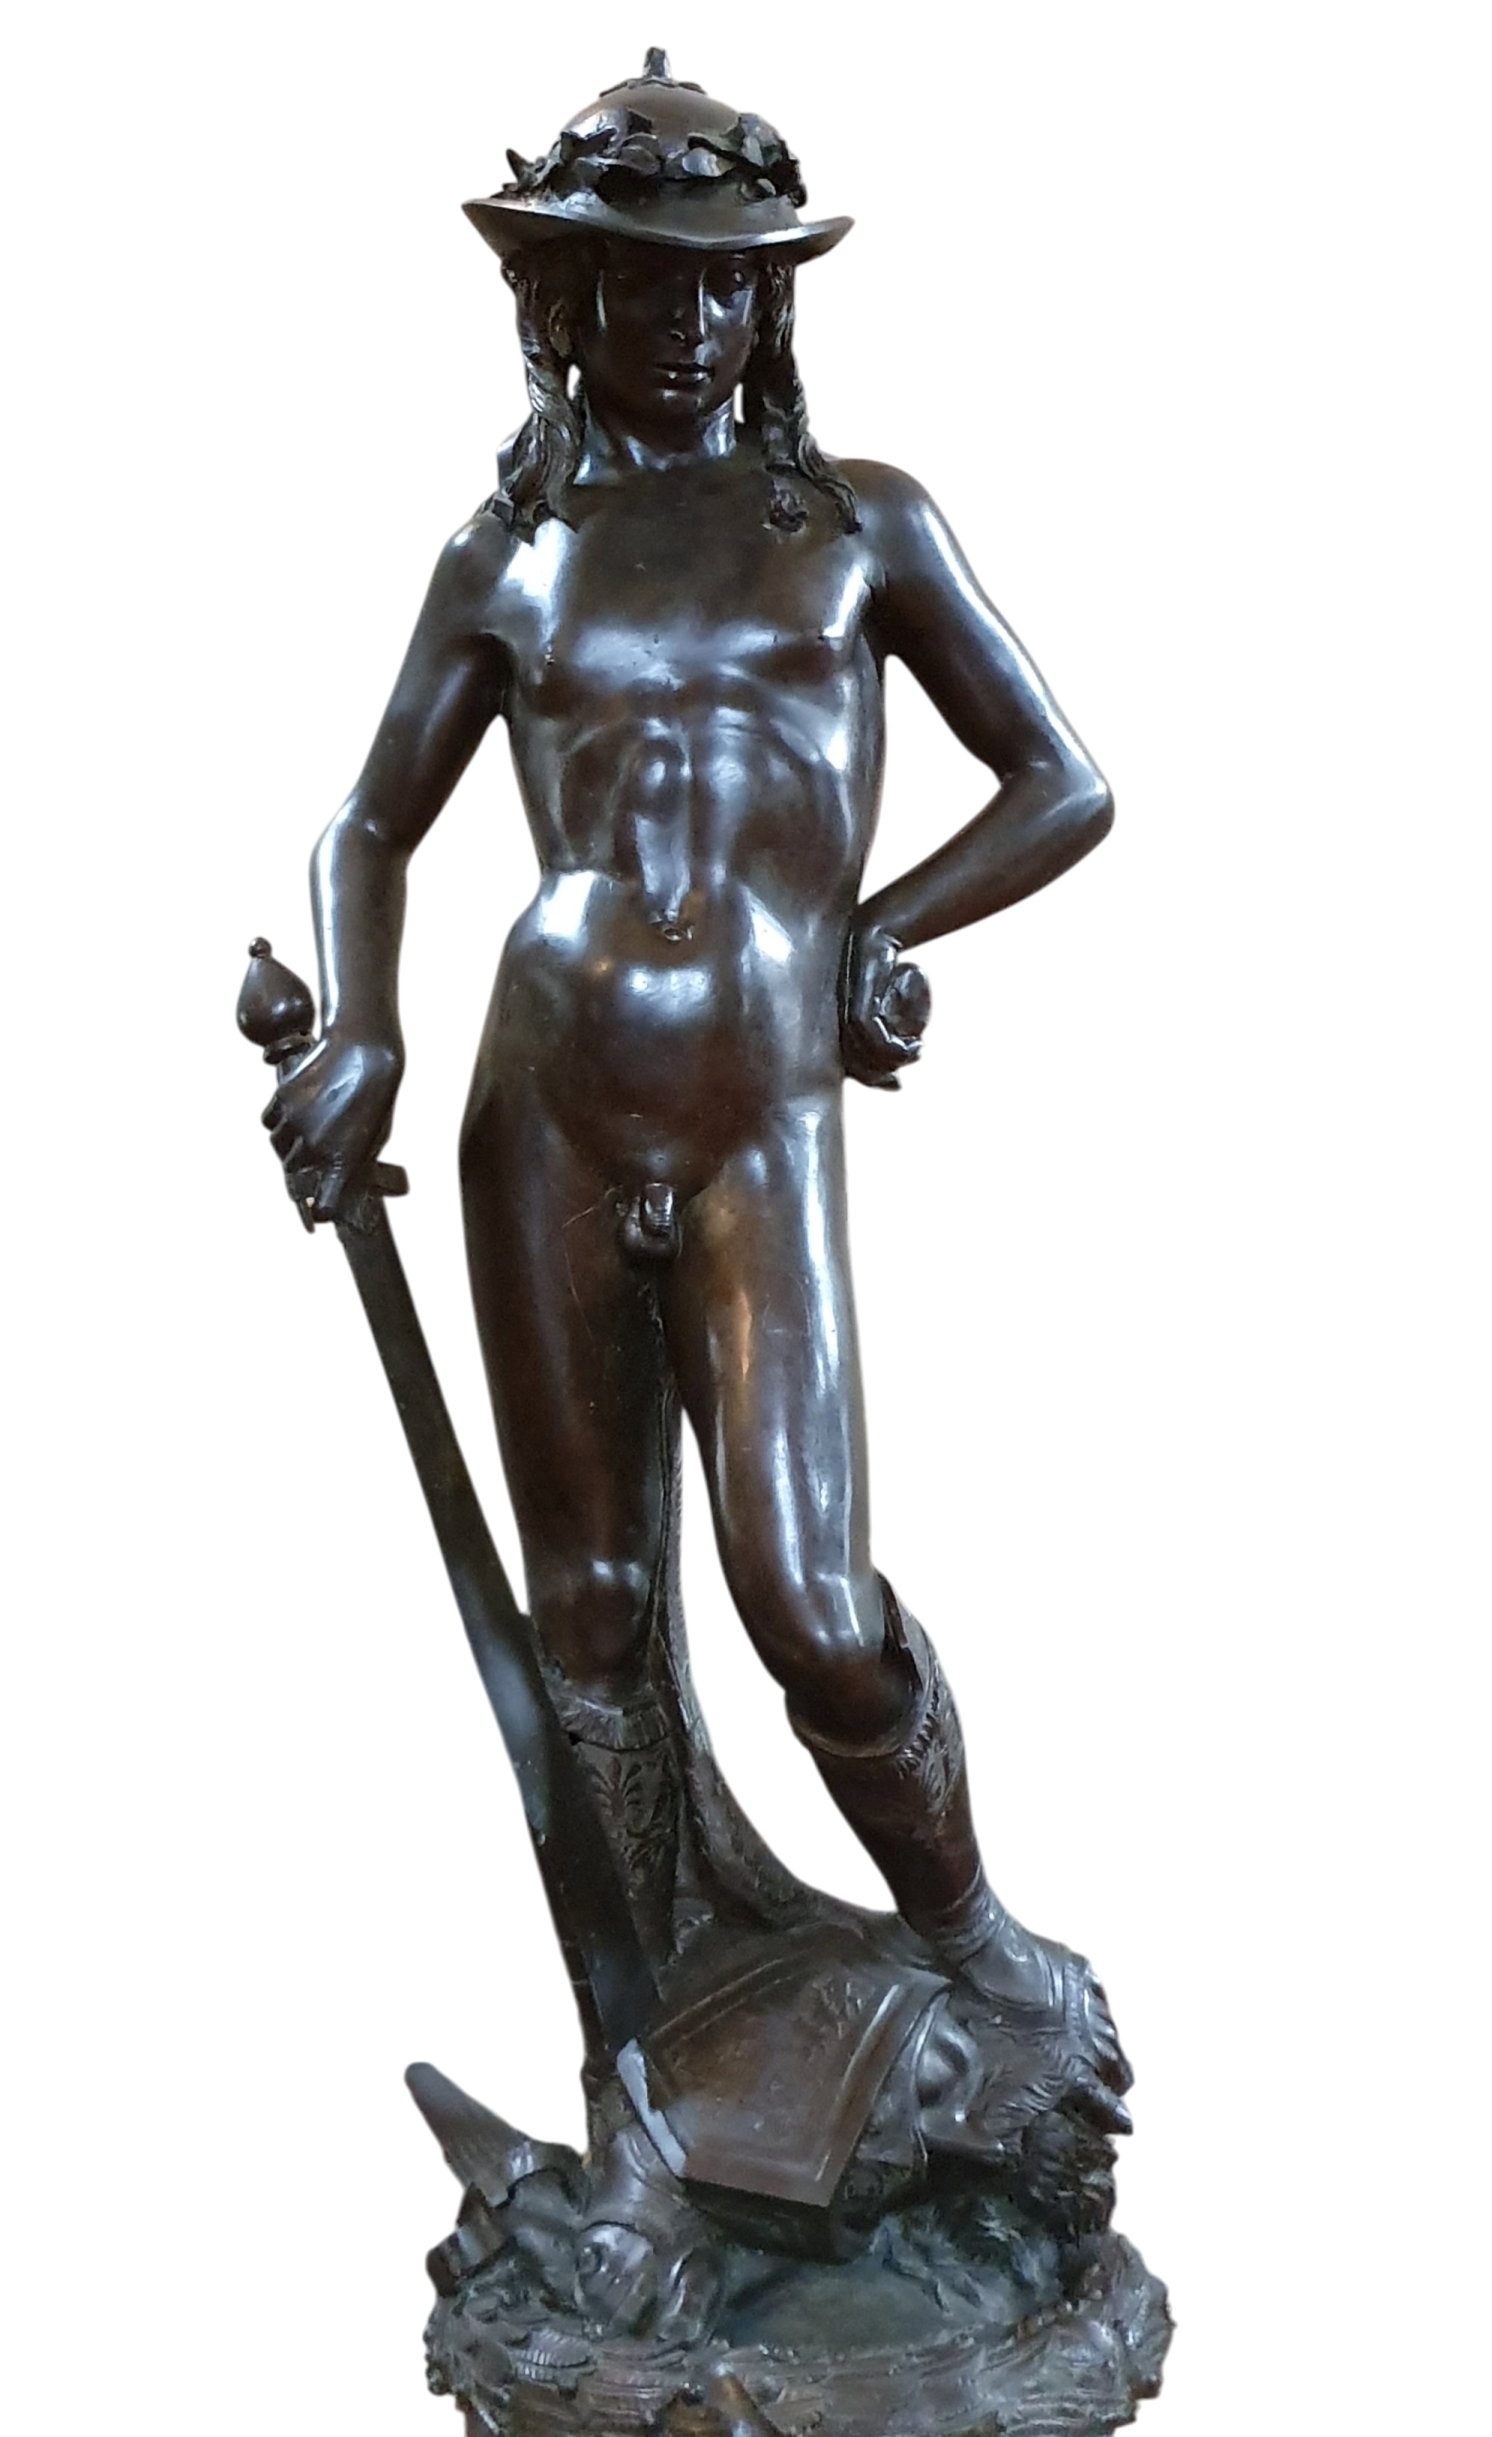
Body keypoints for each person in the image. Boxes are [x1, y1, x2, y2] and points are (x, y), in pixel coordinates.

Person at [264, 55, 1119, 2066]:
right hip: (545, 1102)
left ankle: (968, 1927)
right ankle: (649, 2040)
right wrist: (367, 1021)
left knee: (808, 1592)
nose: (691, 319)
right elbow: (369, 823)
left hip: (757, 1112)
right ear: (564, 301)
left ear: (773, 300)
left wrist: (879, 927)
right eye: (647, 284)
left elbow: (1061, 780)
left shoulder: (858, 522)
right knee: (585, 1606)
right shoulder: (511, 552)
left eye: (729, 282)